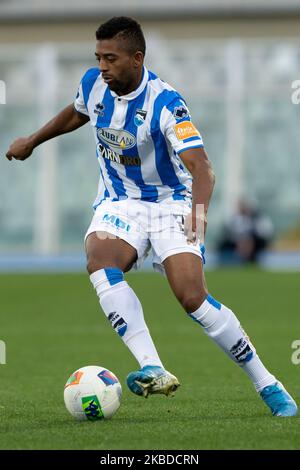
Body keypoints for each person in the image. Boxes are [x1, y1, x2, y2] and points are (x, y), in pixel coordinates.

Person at [6, 17, 297, 417]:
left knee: (193, 298)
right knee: (100, 260)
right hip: (119, 201)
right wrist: (32, 141)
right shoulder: (94, 84)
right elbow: (77, 112)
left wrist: (198, 212)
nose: (103, 66)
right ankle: (152, 366)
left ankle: (267, 382)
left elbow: (203, 168)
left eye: (111, 58)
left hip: (170, 203)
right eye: (99, 57)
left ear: (137, 59)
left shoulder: (165, 103)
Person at [218, 200, 274, 265]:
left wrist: (249, 240)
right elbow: (229, 232)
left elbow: (263, 231)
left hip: (253, 241)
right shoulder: (234, 219)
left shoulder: (256, 217)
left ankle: (251, 258)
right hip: (237, 241)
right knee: (223, 244)